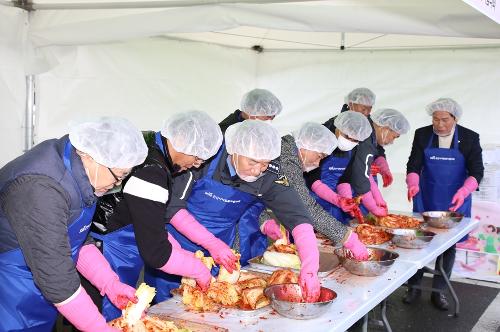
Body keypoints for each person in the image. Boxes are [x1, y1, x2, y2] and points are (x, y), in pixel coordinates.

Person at [0, 118, 148, 332]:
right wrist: (100, 328)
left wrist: (110, 284)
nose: (117, 184)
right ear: (90, 156)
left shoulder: (81, 171)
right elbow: (57, 278)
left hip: (35, 288)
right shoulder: (41, 189)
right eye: (119, 176)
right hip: (9, 290)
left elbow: (75, 238)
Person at [153, 120, 322, 303]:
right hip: (174, 247)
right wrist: (211, 243)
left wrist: (310, 266)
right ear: (234, 150)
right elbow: (173, 208)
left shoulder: (271, 174)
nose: (258, 170)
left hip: (221, 253)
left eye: (264, 164)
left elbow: (298, 217)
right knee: (170, 308)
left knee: (212, 304)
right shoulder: (206, 157)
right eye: (253, 162)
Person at [89, 111, 229, 321]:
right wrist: (198, 270)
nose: (197, 164)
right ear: (180, 140)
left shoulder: (150, 144)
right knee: (109, 318)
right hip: (106, 246)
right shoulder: (152, 171)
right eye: (197, 157)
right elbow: (156, 253)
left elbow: (151, 220)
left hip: (122, 239)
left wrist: (183, 253)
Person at [403, 98, 484, 310]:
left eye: (445, 120)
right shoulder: (423, 134)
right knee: (418, 242)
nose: (439, 124)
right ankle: (414, 287)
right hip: (426, 196)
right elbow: (414, 163)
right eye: (435, 119)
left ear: (455, 118)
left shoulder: (469, 138)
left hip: (455, 199)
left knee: (448, 246)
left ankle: (439, 292)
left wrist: (465, 191)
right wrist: (412, 182)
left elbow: (477, 171)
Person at [259, 122, 369, 260]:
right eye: (319, 156)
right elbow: (305, 206)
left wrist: (264, 220)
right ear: (307, 146)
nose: (317, 164)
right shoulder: (287, 160)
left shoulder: (289, 151)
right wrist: (347, 238)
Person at [218, 88, 283, 264]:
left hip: (252, 220)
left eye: (272, 118)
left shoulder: (263, 138)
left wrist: (264, 220)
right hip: (225, 226)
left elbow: (260, 188)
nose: (269, 122)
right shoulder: (224, 138)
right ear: (249, 113)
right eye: (266, 117)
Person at [305, 111, 372, 223]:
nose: (350, 142)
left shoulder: (353, 147)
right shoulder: (319, 139)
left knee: (335, 235)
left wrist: (347, 201)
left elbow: (345, 178)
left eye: (355, 140)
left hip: (334, 203)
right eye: (347, 136)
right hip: (311, 200)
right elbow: (311, 178)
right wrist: (337, 199)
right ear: (338, 127)